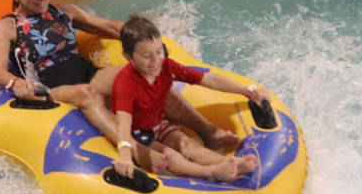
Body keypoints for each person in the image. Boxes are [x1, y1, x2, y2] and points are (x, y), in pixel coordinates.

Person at [0, 0, 240, 149]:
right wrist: (16, 83)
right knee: (86, 93)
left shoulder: (64, 10)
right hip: (51, 88)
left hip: (88, 75)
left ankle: (209, 131)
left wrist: (142, 37)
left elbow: (106, 26)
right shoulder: (7, 25)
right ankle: (132, 149)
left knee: (139, 76)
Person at [111, 15, 265, 182]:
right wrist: (125, 154)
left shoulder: (166, 67)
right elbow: (123, 123)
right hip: (135, 133)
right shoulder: (125, 82)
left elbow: (209, 80)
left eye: (159, 51)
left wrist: (248, 91)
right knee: (168, 155)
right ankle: (211, 172)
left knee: (188, 144)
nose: (156, 61)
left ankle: (232, 164)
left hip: (157, 124)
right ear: (128, 57)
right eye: (147, 56)